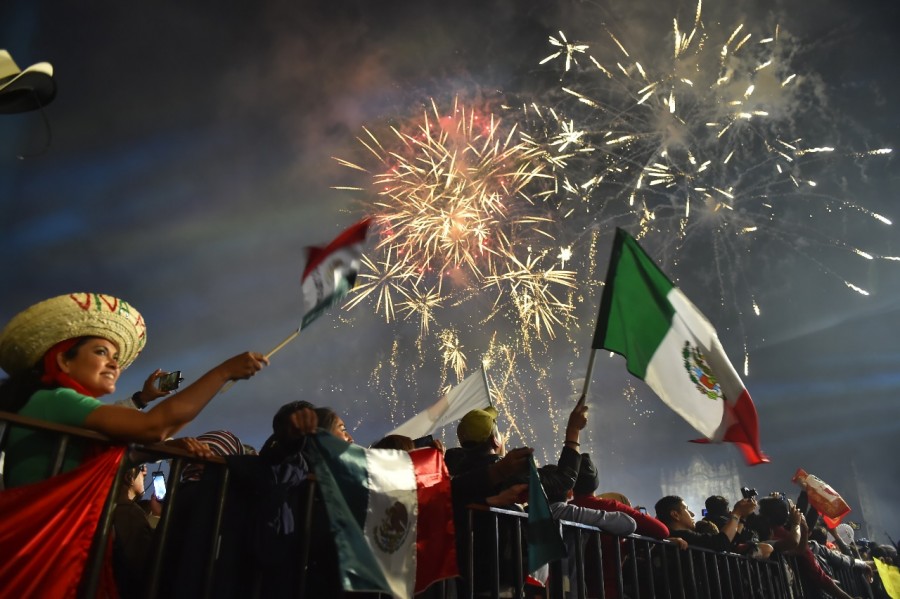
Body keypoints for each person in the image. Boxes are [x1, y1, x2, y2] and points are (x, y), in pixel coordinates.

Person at [0, 293, 268, 488]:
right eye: (101, 352)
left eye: (115, 356)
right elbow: (153, 428)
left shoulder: (53, 402)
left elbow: (150, 434)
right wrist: (223, 372)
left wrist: (165, 436)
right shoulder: (58, 399)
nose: (114, 364)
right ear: (64, 361)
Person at [111, 464, 155, 599]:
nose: (146, 472)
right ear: (130, 477)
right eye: (141, 468)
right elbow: (142, 566)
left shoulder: (111, 507)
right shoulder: (130, 514)